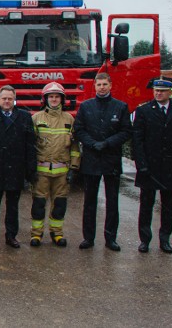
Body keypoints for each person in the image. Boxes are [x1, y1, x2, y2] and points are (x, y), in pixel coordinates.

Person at [132, 79, 172, 254]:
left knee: (168, 207)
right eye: (156, 90)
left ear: (169, 92)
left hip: (171, 167)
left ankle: (165, 239)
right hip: (149, 167)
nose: (158, 93)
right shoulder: (143, 111)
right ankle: (145, 240)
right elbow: (138, 140)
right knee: (146, 205)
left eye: (162, 91)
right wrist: (141, 164)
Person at [74, 73, 132, 251]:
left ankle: (110, 238)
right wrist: (92, 143)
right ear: (95, 86)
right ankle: (88, 238)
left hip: (111, 160)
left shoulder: (121, 107)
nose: (101, 87)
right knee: (89, 202)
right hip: (91, 159)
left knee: (112, 202)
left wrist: (107, 143)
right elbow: (79, 129)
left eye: (104, 84)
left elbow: (125, 132)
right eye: (98, 84)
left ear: (110, 85)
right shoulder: (85, 106)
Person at [0, 86, 36, 248]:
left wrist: (30, 170)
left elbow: (30, 146)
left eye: (10, 98)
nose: (7, 101)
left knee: (12, 206)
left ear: (14, 99)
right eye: (4, 98)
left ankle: (11, 236)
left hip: (16, 169)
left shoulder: (24, 117)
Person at [30, 82, 80, 247]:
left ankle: (57, 234)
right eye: (50, 96)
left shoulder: (69, 119)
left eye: (57, 97)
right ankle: (36, 234)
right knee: (39, 204)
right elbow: (30, 146)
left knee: (59, 205)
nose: (53, 99)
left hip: (61, 173)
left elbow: (74, 147)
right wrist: (31, 169)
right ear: (45, 99)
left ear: (62, 99)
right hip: (41, 172)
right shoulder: (36, 119)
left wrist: (74, 168)